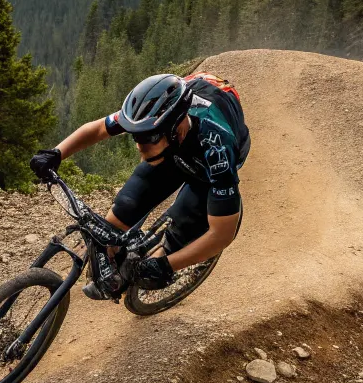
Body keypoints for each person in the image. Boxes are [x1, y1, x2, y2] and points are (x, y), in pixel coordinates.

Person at [29, 72, 250, 298]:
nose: (138, 146)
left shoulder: (218, 150)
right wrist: (56, 153)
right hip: (175, 144)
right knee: (121, 211)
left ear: (174, 128)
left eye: (147, 139)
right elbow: (98, 129)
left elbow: (222, 234)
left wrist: (167, 265)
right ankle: (119, 266)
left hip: (206, 165)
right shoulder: (150, 118)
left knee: (179, 232)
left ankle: (164, 252)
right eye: (136, 137)